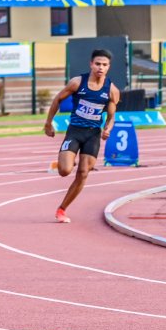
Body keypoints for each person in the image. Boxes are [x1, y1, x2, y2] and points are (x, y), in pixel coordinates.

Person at [43, 48, 120, 224]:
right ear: (91, 64)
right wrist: (48, 123)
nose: (101, 67)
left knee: (84, 172)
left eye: (105, 65)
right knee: (64, 171)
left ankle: (62, 209)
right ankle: (70, 156)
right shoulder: (77, 82)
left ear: (108, 67)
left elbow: (111, 115)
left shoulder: (112, 90)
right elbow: (57, 99)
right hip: (75, 131)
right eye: (98, 64)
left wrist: (108, 128)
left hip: (92, 135)